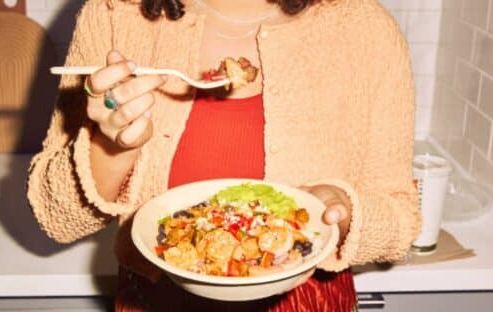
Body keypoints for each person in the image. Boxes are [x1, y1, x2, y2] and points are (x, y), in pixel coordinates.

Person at [27, 0, 421, 311]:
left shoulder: (365, 28)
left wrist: (346, 210)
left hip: (310, 304)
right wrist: (111, 147)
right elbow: (55, 217)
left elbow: (402, 221)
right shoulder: (115, 13)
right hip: (154, 302)